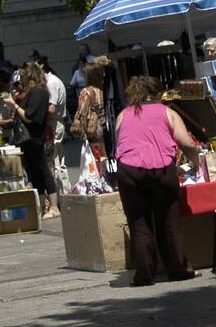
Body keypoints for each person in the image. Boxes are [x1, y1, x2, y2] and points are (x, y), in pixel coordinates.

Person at [115, 76, 199, 286]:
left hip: (129, 170)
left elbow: (120, 142)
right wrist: (195, 161)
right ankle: (178, 269)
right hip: (162, 170)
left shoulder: (123, 115)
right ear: (158, 94)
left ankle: (144, 274)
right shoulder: (168, 112)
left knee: (138, 222)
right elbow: (186, 143)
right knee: (169, 221)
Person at [3, 61, 60, 219]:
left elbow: (29, 116)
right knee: (35, 173)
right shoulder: (31, 92)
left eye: (23, 76)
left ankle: (54, 206)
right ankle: (42, 206)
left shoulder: (39, 92)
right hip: (28, 140)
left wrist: (14, 105)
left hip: (35, 137)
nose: (21, 80)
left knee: (42, 170)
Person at [40, 57, 71, 196]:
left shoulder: (51, 83)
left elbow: (51, 108)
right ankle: (63, 193)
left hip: (54, 123)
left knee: (55, 161)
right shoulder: (53, 81)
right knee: (57, 160)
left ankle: (61, 195)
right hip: (56, 123)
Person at [71, 56, 108, 157]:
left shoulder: (86, 91)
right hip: (102, 127)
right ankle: (104, 171)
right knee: (103, 155)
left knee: (94, 157)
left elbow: (82, 113)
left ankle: (100, 172)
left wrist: (82, 132)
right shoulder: (102, 90)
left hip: (92, 128)